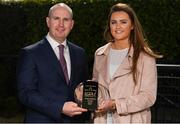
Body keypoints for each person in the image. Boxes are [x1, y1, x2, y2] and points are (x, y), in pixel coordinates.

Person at [16, 3, 90, 123]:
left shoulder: (79, 53)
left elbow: (83, 86)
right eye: (56, 18)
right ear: (48, 21)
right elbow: (26, 94)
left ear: (72, 24)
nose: (61, 24)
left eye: (66, 19)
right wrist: (59, 107)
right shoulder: (30, 53)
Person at [92, 3, 162, 123]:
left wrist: (116, 104)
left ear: (132, 25)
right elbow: (96, 86)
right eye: (113, 22)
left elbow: (148, 96)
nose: (118, 26)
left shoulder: (144, 56)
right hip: (102, 120)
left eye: (123, 22)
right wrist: (86, 93)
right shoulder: (100, 53)